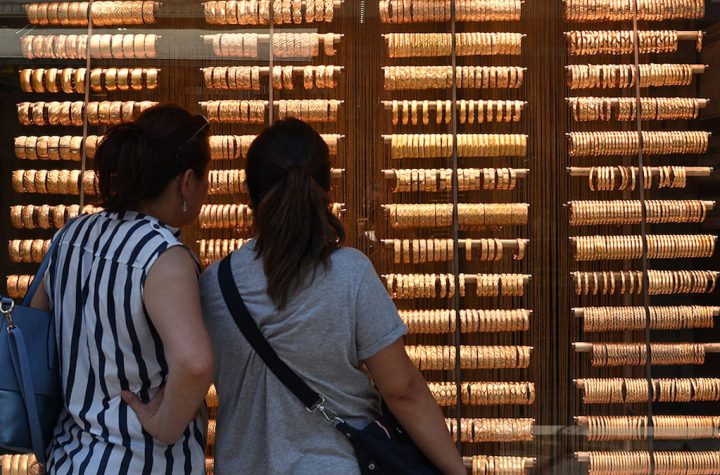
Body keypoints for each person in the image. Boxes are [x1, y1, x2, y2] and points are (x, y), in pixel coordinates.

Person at [200, 118, 465, 475]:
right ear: (326, 190)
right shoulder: (350, 274)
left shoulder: (215, 284)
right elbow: (403, 391)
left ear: (248, 192)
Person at [30, 104, 214, 474]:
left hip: (69, 456)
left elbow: (36, 331)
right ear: (186, 181)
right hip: (141, 462)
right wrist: (164, 426)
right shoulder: (163, 255)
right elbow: (194, 363)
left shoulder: (71, 235)